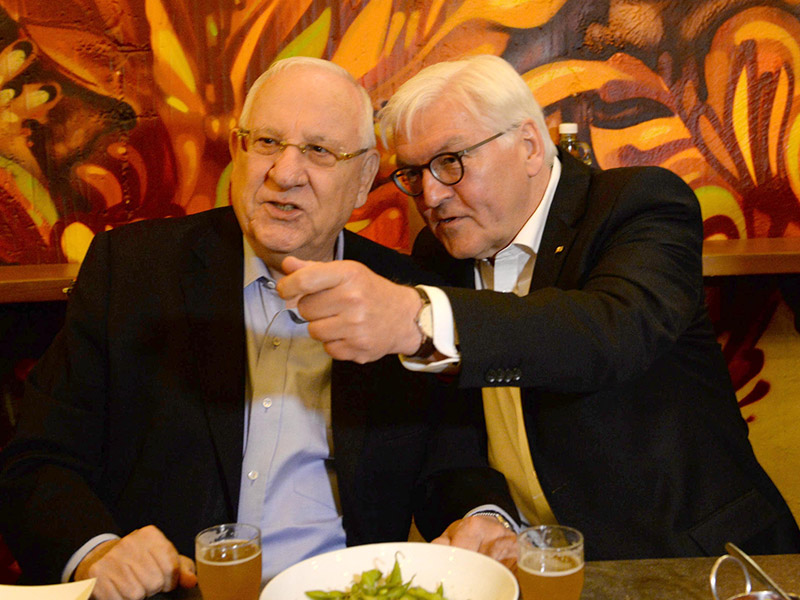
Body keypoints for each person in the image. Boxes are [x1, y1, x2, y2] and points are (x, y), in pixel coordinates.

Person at [0, 57, 516, 600]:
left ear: (364, 178)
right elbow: (36, 463)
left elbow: (452, 466)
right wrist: (100, 551)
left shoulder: (405, 297)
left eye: (319, 151)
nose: (284, 174)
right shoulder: (131, 271)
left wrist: (482, 517)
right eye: (267, 142)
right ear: (239, 152)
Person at [277, 54, 800, 560]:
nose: (431, 196)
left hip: (696, 559)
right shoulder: (439, 253)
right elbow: (450, 433)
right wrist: (487, 513)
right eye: (415, 174)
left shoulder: (639, 202)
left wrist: (419, 318)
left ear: (529, 145)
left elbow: (610, 333)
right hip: (538, 567)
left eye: (451, 162)